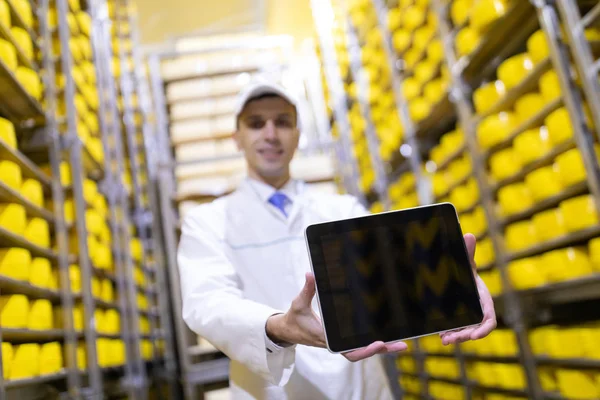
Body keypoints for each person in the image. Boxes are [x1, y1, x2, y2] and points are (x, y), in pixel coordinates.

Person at [177, 81, 497, 399]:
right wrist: (277, 327)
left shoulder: (343, 209)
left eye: (283, 122)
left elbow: (393, 280)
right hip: (270, 392)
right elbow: (207, 305)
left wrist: (456, 289)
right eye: (256, 123)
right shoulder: (208, 223)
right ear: (237, 138)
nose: (271, 134)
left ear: (298, 135)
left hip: (358, 388)